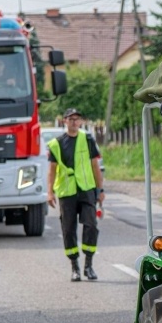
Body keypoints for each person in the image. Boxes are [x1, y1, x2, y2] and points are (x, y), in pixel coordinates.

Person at [47, 109, 104, 282]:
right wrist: (50, 192)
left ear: (80, 122)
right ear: (64, 121)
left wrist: (100, 190)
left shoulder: (87, 140)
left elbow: (95, 166)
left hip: (86, 189)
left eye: (77, 119)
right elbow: (52, 170)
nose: (74, 122)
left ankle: (89, 265)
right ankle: (75, 267)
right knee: (68, 229)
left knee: (91, 225)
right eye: (70, 119)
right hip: (66, 192)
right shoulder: (56, 144)